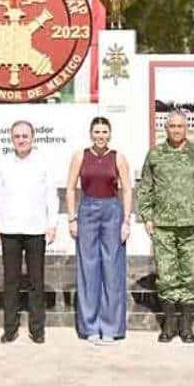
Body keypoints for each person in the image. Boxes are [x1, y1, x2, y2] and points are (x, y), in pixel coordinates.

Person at [138, 110, 194, 344]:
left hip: (191, 224)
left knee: (189, 275)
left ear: (186, 128)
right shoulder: (155, 154)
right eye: (172, 126)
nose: (176, 130)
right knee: (167, 276)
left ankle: (187, 326)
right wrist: (147, 217)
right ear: (166, 128)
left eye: (180, 126)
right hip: (163, 225)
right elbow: (145, 187)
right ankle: (169, 325)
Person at [65, 117, 133, 345]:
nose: (100, 136)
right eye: (97, 132)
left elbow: (127, 191)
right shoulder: (80, 156)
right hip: (87, 211)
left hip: (112, 211)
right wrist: (72, 218)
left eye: (104, 132)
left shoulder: (118, 158)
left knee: (113, 269)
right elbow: (70, 188)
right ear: (90, 133)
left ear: (110, 134)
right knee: (88, 268)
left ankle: (111, 327)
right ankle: (91, 327)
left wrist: (126, 221)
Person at [0, 120, 58, 344]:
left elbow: (51, 195)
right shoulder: (3, 162)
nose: (21, 140)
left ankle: (37, 330)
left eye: (25, 136)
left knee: (36, 282)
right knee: (11, 282)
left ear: (33, 137)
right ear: (11, 139)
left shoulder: (43, 162)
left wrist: (52, 224)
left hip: (36, 229)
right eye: (17, 136)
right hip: (9, 230)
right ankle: (10, 329)